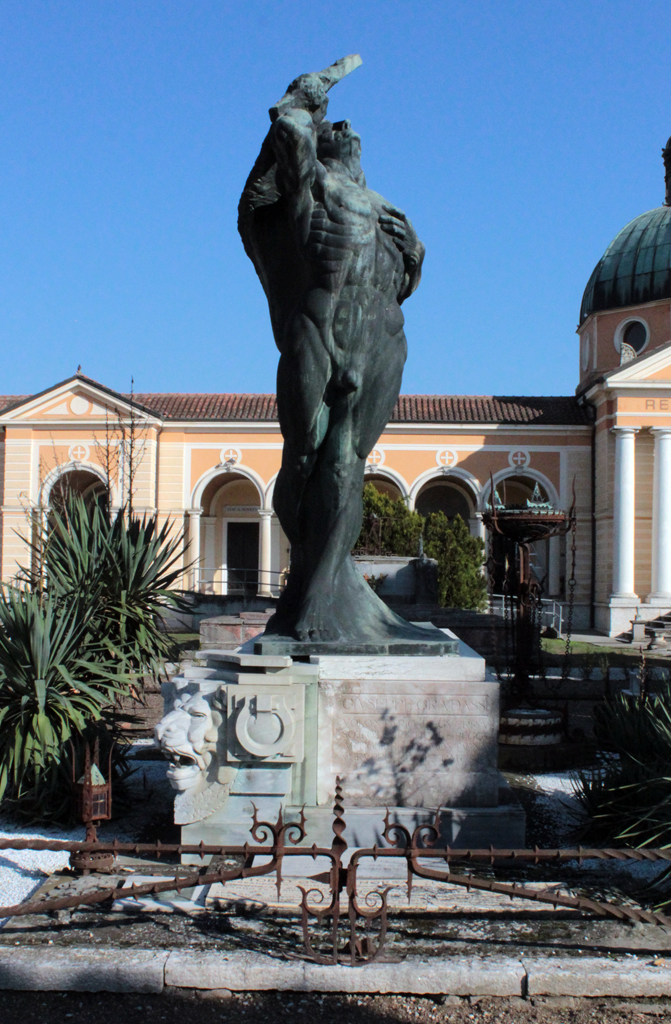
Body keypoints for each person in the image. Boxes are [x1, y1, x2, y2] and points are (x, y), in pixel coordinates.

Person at [239, 58, 438, 644]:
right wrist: (304, 95)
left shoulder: (390, 213)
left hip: (382, 346)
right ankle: (311, 593)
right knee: (304, 461)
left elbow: (400, 283)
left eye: (353, 128)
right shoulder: (310, 192)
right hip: (317, 336)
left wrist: (418, 255)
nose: (348, 128)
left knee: (347, 461)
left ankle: (328, 595)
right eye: (337, 125)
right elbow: (289, 136)